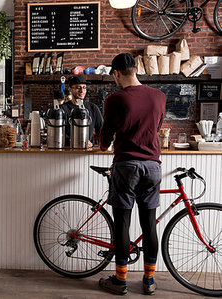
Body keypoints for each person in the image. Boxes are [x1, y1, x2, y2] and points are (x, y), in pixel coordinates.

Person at [98, 53, 166, 295]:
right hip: (153, 166)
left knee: (122, 224)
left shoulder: (115, 99)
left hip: (127, 166)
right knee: (149, 224)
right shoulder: (159, 96)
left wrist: (103, 143)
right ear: (135, 70)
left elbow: (104, 140)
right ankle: (148, 281)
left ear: (116, 73)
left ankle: (120, 280)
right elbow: (156, 129)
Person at [62, 76, 103, 148]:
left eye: (84, 88)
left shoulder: (93, 108)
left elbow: (102, 130)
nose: (82, 91)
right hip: (67, 152)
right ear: (70, 89)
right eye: (78, 88)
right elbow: (59, 132)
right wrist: (69, 140)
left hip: (88, 152)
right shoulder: (63, 109)